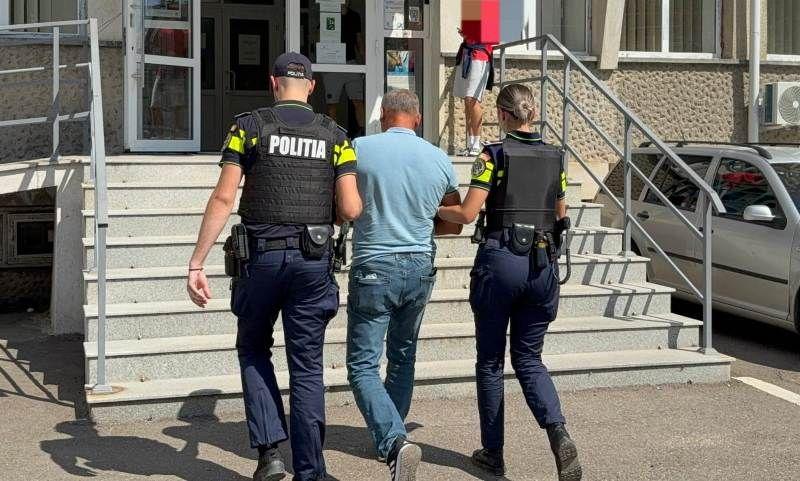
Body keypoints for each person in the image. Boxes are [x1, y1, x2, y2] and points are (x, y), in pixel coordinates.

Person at [186, 52, 362, 481]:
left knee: (253, 348)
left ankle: (269, 456)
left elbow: (224, 197)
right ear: (312, 87)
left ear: (273, 83)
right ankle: (311, 472)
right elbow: (351, 208)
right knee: (307, 367)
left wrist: (197, 261)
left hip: (260, 259)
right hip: (312, 261)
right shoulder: (335, 135)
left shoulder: (248, 128)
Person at [437, 84, 582, 481]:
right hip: (541, 265)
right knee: (530, 358)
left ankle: (493, 453)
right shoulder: (556, 157)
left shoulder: (492, 155)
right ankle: (558, 432)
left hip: (502, 260)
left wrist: (433, 210)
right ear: (531, 113)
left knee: (490, 361)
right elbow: (561, 214)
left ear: (502, 115)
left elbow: (468, 213)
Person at [346, 89, 462, 481]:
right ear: (417, 118)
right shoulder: (438, 157)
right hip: (419, 264)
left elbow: (342, 204)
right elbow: (452, 222)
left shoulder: (359, 148)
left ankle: (394, 440)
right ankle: (393, 435)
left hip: (374, 264)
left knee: (362, 365)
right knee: (403, 354)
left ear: (383, 117)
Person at [453, 28, 495, 156]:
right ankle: (470, 143)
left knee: (472, 99)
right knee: (467, 101)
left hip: (480, 56)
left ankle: (477, 143)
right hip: (466, 56)